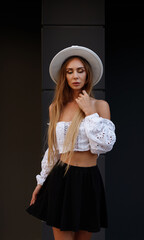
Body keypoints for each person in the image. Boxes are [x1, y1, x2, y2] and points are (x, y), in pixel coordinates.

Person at [25, 45, 116, 240]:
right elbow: (54, 150)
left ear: (87, 75)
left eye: (80, 70)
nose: (75, 76)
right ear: (64, 77)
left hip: (89, 182)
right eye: (70, 71)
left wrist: (90, 112)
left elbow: (105, 145)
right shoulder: (56, 107)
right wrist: (41, 181)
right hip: (62, 179)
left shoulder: (100, 106)